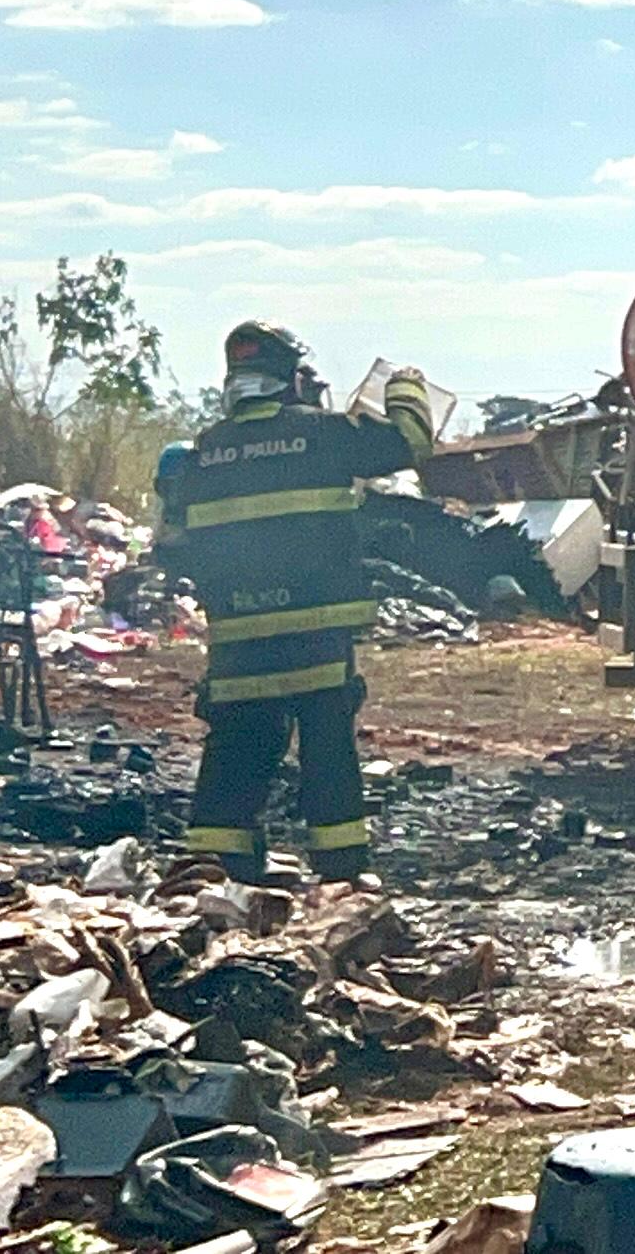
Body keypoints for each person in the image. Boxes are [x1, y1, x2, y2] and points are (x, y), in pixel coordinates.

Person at [158, 322, 433, 884]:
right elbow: (411, 444)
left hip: (239, 638)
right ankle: (341, 869)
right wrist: (407, 387)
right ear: (290, 379)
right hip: (316, 629)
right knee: (327, 743)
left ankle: (216, 865)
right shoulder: (326, 434)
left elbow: (174, 544)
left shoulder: (202, 454)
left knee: (237, 741)